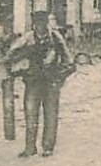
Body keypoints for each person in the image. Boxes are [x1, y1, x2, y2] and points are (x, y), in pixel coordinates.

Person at [4, 12, 73, 157]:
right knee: (30, 114)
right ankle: (30, 148)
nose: (40, 26)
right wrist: (21, 66)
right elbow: (10, 56)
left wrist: (59, 77)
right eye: (37, 23)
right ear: (34, 23)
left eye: (43, 22)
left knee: (51, 114)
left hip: (51, 82)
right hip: (33, 82)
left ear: (47, 23)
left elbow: (69, 61)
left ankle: (48, 147)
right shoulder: (27, 38)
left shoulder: (55, 37)